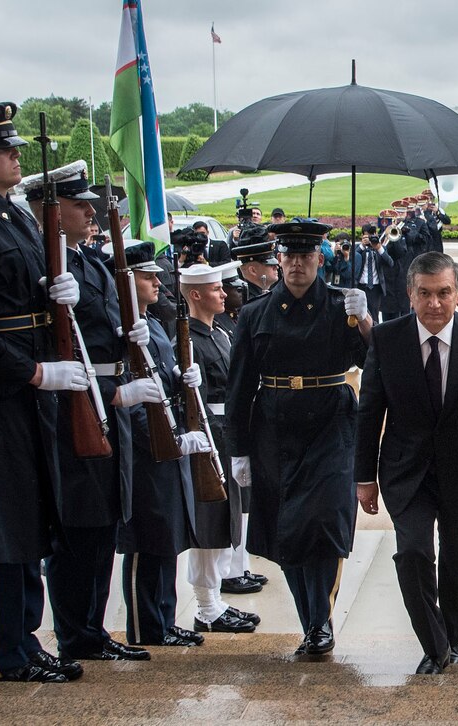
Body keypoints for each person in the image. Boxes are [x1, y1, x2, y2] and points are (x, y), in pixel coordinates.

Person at [18, 161, 153, 667]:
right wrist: (114, 388)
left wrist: (134, 332)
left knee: (104, 524)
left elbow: (107, 323)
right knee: (78, 527)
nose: (91, 212)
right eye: (79, 206)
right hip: (78, 399)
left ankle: (92, 630)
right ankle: (74, 633)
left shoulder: (91, 261)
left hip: (109, 395)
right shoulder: (48, 264)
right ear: (51, 214)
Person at [355, 251, 458, 674]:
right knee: (412, 554)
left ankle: (452, 639)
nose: (434, 303)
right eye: (425, 293)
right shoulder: (387, 340)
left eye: (444, 293)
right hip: (404, 472)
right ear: (410, 295)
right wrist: (363, 477)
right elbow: (369, 410)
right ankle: (434, 644)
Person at [224, 221, 371, 657]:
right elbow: (239, 387)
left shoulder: (342, 306)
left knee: (323, 523)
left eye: (306, 256)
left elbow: (375, 361)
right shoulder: (255, 314)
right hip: (275, 429)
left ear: (319, 259)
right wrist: (239, 450)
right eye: (289, 256)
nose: (296, 264)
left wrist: (363, 321)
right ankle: (312, 623)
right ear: (278, 260)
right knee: (287, 531)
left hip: (330, 425)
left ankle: (320, 622)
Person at [0, 101, 92, 683]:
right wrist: (30, 373)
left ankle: (29, 637)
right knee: (8, 518)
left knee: (33, 511)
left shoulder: (20, 219)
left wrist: (59, 291)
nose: (14, 155)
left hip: (33, 383)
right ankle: (12, 648)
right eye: (4, 148)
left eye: (15, 147)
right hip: (6, 388)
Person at [109, 240, 209, 648]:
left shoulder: (150, 325)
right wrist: (161, 439)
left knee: (167, 534)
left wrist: (184, 380)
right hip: (145, 448)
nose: (157, 281)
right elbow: (128, 395)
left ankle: (164, 620)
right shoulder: (123, 327)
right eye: (147, 276)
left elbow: (162, 378)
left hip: (168, 441)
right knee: (146, 540)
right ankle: (145, 627)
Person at [177, 263, 261, 635]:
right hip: (208, 433)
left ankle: (217, 600)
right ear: (195, 295)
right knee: (210, 522)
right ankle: (206, 607)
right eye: (215, 289)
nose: (224, 294)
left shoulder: (221, 333)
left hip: (228, 431)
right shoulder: (188, 338)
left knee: (230, 517)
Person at [354, 225, 393, 321]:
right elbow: (352, 260)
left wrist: (378, 247)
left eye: (372, 236)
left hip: (375, 288)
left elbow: (390, 263)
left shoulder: (381, 248)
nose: (370, 239)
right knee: (359, 314)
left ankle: (373, 334)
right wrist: (362, 246)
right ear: (363, 236)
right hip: (360, 286)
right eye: (367, 237)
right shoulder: (358, 248)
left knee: (374, 315)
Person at [231, 234, 279, 301]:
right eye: (271, 265)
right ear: (253, 270)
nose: (276, 267)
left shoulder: (262, 294)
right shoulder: (246, 300)